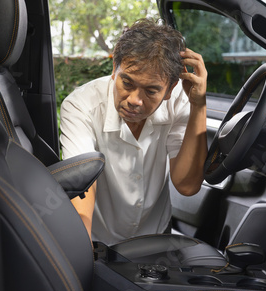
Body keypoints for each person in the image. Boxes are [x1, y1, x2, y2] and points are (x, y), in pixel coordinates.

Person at [59, 18, 207, 245]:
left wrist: (199, 104)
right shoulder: (81, 105)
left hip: (156, 240)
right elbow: (82, 189)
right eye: (127, 83)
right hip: (98, 243)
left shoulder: (180, 101)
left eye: (151, 91)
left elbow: (186, 185)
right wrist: (81, 257)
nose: (134, 101)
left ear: (170, 89)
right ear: (114, 70)